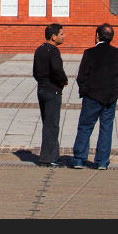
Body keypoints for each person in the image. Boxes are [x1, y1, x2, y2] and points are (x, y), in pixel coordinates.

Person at [70, 23, 118, 169]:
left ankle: (79, 159)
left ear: (97, 36)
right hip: (110, 97)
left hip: (92, 96)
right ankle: (102, 161)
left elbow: (81, 76)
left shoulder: (89, 53)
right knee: (106, 128)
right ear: (112, 37)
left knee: (85, 126)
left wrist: (84, 90)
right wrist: (117, 90)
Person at [32, 23, 69, 167]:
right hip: (52, 90)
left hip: (41, 89)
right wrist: (63, 80)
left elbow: (35, 71)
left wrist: (42, 81)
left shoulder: (39, 49)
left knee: (47, 123)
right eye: (61, 34)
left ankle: (54, 154)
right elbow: (57, 69)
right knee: (52, 125)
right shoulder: (53, 51)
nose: (63, 36)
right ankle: (47, 158)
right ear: (53, 37)